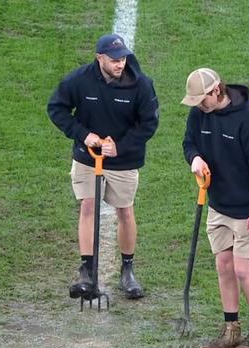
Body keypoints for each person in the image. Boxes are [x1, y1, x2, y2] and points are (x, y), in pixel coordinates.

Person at [47, 34, 159, 300]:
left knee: (125, 211)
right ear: (99, 58)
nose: (120, 64)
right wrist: (83, 135)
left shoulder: (142, 85)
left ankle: (128, 269)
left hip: (123, 160)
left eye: (123, 59)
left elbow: (149, 124)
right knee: (88, 206)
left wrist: (119, 147)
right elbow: (56, 108)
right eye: (114, 60)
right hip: (87, 157)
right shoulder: (79, 80)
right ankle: (86, 269)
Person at [181, 68, 249, 348]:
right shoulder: (199, 114)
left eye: (202, 99)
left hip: (248, 210)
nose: (199, 105)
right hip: (218, 205)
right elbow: (189, 142)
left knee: (243, 269)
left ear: (217, 90)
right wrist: (194, 158)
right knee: (223, 266)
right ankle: (230, 329)